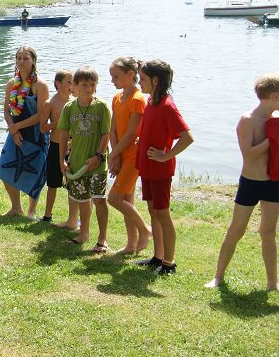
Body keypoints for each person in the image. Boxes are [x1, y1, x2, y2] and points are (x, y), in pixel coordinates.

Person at [206, 74, 279, 290]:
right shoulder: (248, 120)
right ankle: (217, 277)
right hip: (250, 182)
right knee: (236, 230)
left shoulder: (276, 121)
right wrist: (272, 139)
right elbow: (248, 154)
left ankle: (272, 283)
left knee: (268, 231)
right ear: (275, 96)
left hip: (273, 183)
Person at [132, 59, 194, 275]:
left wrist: (166, 155)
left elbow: (187, 137)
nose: (140, 82)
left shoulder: (167, 105)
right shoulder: (151, 101)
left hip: (159, 171)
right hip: (147, 168)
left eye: (143, 79)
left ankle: (169, 263)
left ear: (155, 81)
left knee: (162, 214)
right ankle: (157, 256)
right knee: (153, 211)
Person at [57, 67, 111, 252]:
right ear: (75, 86)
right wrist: (62, 160)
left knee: (98, 199)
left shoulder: (101, 106)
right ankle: (84, 233)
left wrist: (98, 156)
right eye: (85, 85)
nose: (89, 89)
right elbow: (63, 134)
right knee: (82, 200)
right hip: (77, 163)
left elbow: (106, 134)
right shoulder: (69, 108)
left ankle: (103, 238)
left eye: (93, 85)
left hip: (97, 164)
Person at [0, 46, 50, 218]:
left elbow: (41, 115)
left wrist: (16, 127)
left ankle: (31, 211)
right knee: (4, 167)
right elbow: (6, 110)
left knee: (35, 169)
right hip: (15, 132)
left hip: (34, 133)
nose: (21, 62)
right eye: (18, 58)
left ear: (33, 60)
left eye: (25, 58)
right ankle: (16, 207)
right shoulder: (11, 84)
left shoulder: (40, 85)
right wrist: (13, 129)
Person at [108, 57, 151, 255]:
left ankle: (145, 230)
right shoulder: (117, 98)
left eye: (116, 76)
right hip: (121, 154)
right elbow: (114, 128)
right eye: (111, 76)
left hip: (134, 156)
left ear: (130, 75)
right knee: (127, 199)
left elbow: (132, 133)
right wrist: (115, 154)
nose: (112, 80)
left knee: (114, 199)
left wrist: (114, 154)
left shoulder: (138, 99)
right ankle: (131, 243)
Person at [41, 70, 72, 223]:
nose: (72, 85)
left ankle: (73, 218)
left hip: (71, 146)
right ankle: (47, 215)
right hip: (55, 145)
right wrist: (58, 123)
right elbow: (43, 128)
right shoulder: (50, 103)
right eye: (69, 82)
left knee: (72, 183)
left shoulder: (75, 101)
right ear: (58, 84)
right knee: (52, 183)